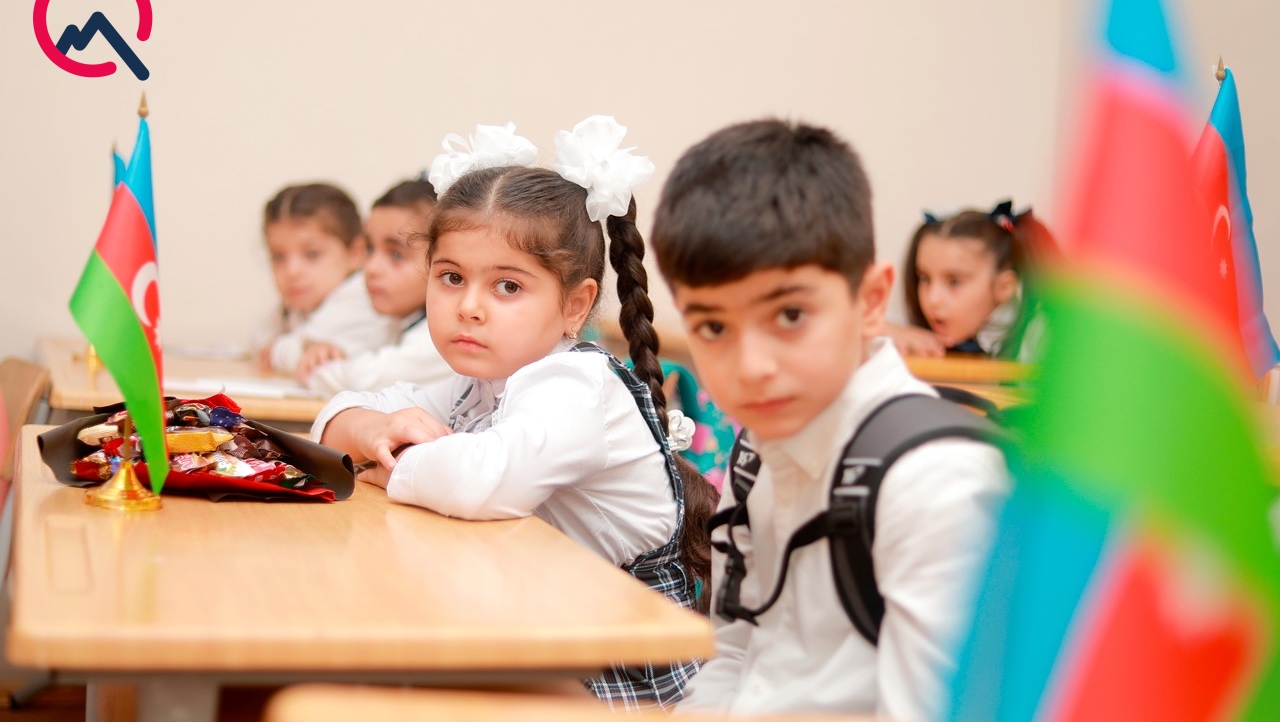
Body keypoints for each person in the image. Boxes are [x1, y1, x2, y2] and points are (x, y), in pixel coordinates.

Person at [311, 119, 713, 709]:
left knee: (372, 675)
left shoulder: (577, 384)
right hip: (538, 624)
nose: (469, 307)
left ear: (575, 305)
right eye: (451, 278)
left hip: (620, 667)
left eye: (507, 287)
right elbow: (338, 415)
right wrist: (373, 430)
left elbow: (481, 480)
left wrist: (387, 463)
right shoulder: (481, 382)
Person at [650, 119, 1008, 720]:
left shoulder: (937, 483)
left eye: (790, 315)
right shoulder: (758, 449)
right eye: (713, 326)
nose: (752, 366)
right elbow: (734, 653)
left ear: (871, 302)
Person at [305, 178, 453, 396]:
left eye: (396, 254)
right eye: (369, 249)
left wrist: (318, 366)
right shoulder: (397, 321)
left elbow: (365, 380)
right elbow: (362, 352)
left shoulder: (446, 336)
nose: (371, 268)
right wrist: (328, 352)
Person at [257, 182, 399, 379]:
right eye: (278, 257)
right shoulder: (297, 304)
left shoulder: (362, 295)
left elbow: (305, 359)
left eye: (312, 254)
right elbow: (259, 341)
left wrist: (277, 350)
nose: (292, 271)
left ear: (355, 253)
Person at [889, 200, 1059, 361]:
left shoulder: (1041, 341)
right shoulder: (930, 332)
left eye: (954, 282)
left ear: (1004, 287)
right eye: (925, 279)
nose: (933, 299)